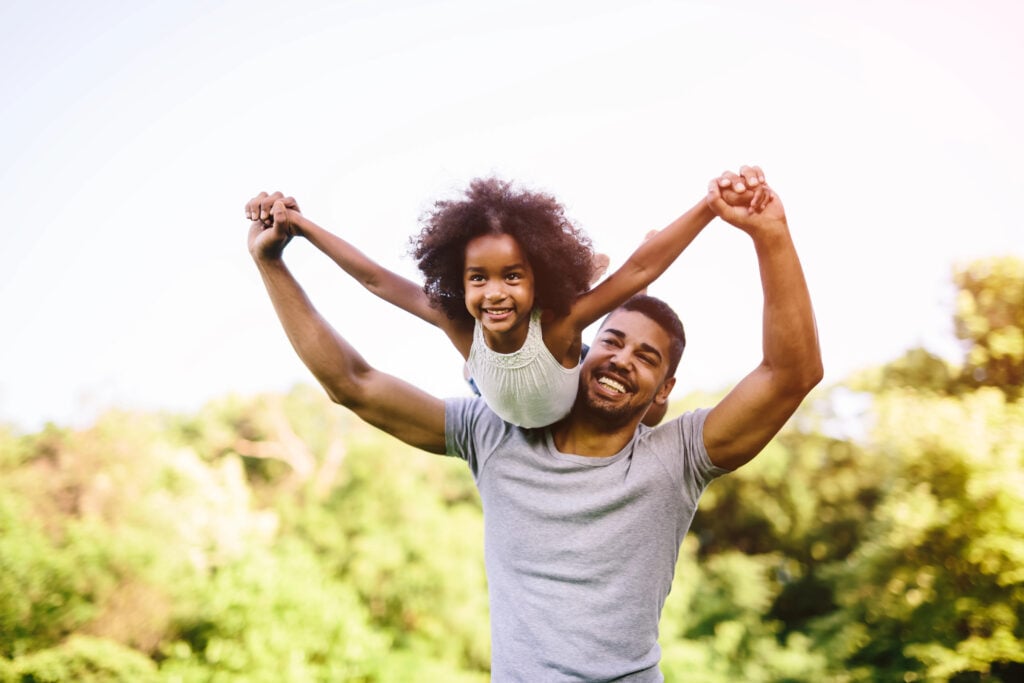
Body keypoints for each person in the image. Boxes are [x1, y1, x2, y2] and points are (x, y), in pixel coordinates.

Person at [245, 166, 822, 681]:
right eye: (613, 342)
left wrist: (769, 235)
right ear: (584, 350)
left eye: (647, 358)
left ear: (663, 392)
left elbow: (790, 373)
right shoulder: (492, 433)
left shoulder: (676, 459)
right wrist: (271, 263)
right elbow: (354, 383)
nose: (622, 358)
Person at [249, 176, 769, 428]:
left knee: (647, 412)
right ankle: (590, 272)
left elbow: (642, 265)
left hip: (562, 373)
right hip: (490, 389)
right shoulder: (458, 323)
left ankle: (590, 276)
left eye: (513, 277)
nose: (494, 293)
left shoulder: (560, 325)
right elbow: (376, 281)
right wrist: (300, 227)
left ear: (536, 279)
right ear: (460, 278)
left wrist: (709, 207)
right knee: (480, 367)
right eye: (478, 278)